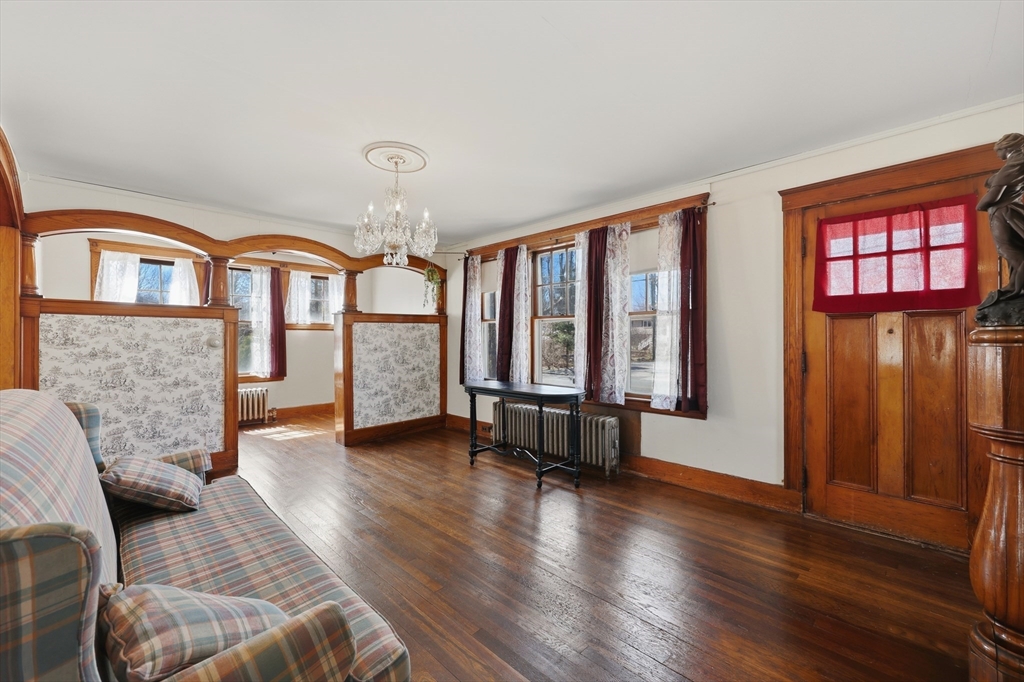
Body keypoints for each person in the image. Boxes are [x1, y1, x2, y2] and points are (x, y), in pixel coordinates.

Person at [977, 132, 1024, 308]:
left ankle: (1017, 287)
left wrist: (980, 205)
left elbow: (994, 195)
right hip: (1013, 210)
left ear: (1007, 148)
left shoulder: (1013, 165)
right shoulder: (1019, 163)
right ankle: (1015, 285)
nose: (998, 155)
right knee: (1015, 247)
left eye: (999, 150)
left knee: (1006, 248)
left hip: (1003, 212)